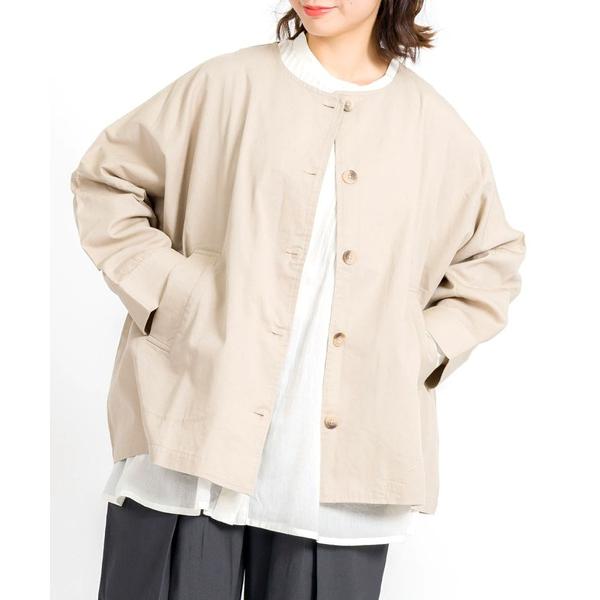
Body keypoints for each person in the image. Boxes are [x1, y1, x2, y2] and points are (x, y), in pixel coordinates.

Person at [71, 1, 526, 598]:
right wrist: (173, 298)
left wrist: (418, 348)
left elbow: (491, 263)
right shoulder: (225, 85)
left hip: (336, 472)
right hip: (194, 424)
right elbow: (106, 179)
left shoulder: (437, 132)